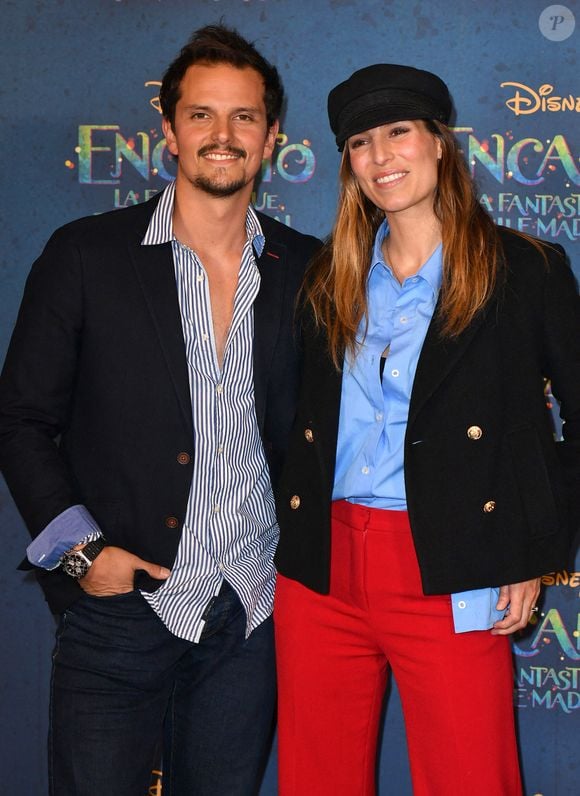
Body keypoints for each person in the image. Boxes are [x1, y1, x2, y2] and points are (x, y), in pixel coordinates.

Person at [0, 24, 320, 796]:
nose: (223, 134)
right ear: (169, 131)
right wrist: (84, 558)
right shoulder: (85, 254)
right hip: (120, 609)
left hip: (250, 613)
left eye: (244, 117)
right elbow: (19, 419)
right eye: (202, 115)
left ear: (271, 136)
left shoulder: (309, 269)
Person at [273, 64, 580, 795]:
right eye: (359, 142)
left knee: (471, 776)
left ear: (441, 143)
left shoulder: (524, 270)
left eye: (398, 132)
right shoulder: (326, 279)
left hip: (453, 561)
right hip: (323, 571)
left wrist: (531, 546)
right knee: (317, 780)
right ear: (347, 164)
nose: (381, 156)